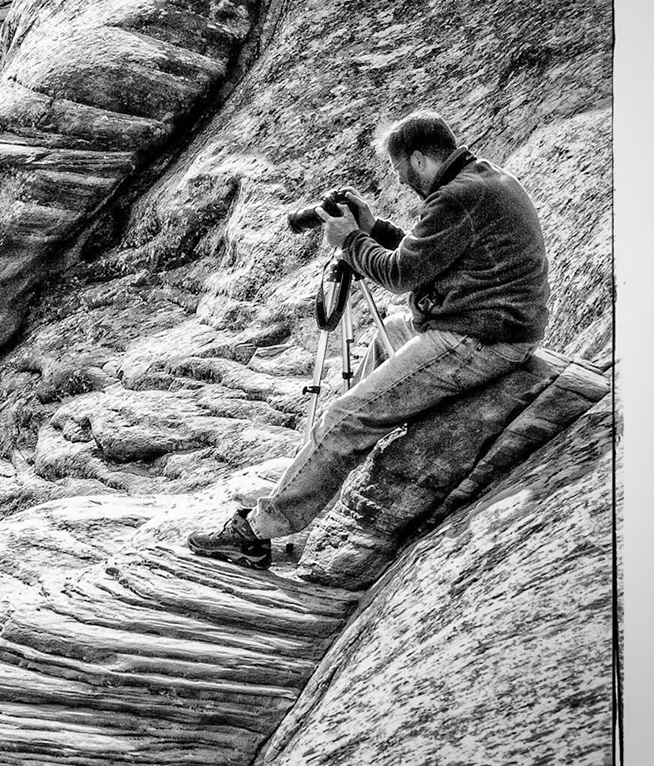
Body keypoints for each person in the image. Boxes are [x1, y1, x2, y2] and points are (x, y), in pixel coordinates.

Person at [187, 110, 551, 569]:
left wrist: (350, 240)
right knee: (384, 342)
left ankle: (257, 532)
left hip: (477, 339)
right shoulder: (484, 181)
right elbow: (426, 252)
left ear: (418, 159)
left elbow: (400, 273)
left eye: (400, 171)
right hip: (490, 325)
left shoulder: (456, 199)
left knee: (344, 417)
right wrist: (372, 228)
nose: (401, 182)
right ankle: (330, 474)